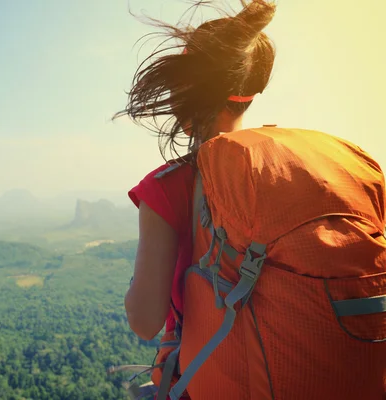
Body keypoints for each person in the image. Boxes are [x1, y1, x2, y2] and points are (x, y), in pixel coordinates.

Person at [113, 1, 386, 399]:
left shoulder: (167, 186)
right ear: (253, 90)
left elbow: (144, 320)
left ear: (186, 89)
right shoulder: (324, 165)